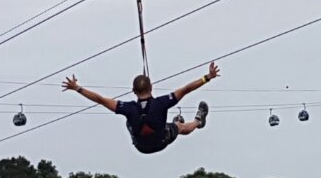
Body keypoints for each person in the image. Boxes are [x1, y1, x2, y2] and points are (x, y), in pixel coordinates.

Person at [61, 61, 220, 154]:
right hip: (160, 141)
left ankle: (172, 125)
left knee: (129, 120)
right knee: (180, 126)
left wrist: (77, 88)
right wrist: (207, 77)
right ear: (151, 88)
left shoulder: (127, 107)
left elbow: (101, 99)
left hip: (141, 146)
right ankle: (199, 121)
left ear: (133, 91)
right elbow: (186, 89)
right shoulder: (162, 103)